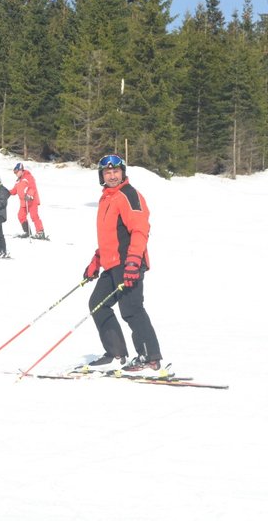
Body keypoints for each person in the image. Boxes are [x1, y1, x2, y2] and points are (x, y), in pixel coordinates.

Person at [81, 154, 163, 375]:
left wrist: (134, 261)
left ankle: (150, 358)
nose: (112, 175)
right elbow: (110, 236)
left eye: (116, 171)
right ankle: (116, 354)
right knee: (97, 303)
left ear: (123, 173)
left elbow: (140, 230)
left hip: (129, 263)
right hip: (112, 264)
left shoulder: (129, 195)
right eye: (107, 172)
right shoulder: (107, 198)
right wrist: (95, 261)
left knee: (131, 309)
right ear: (102, 175)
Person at [8, 162, 45, 239]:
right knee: (21, 215)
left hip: (32, 200)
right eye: (15, 172)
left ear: (21, 170)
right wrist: (6, 192)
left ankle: (40, 232)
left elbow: (32, 187)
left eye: (17, 172)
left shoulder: (28, 177)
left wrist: (29, 195)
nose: (16, 174)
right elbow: (14, 190)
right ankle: (27, 232)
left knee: (34, 216)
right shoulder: (18, 181)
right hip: (24, 202)